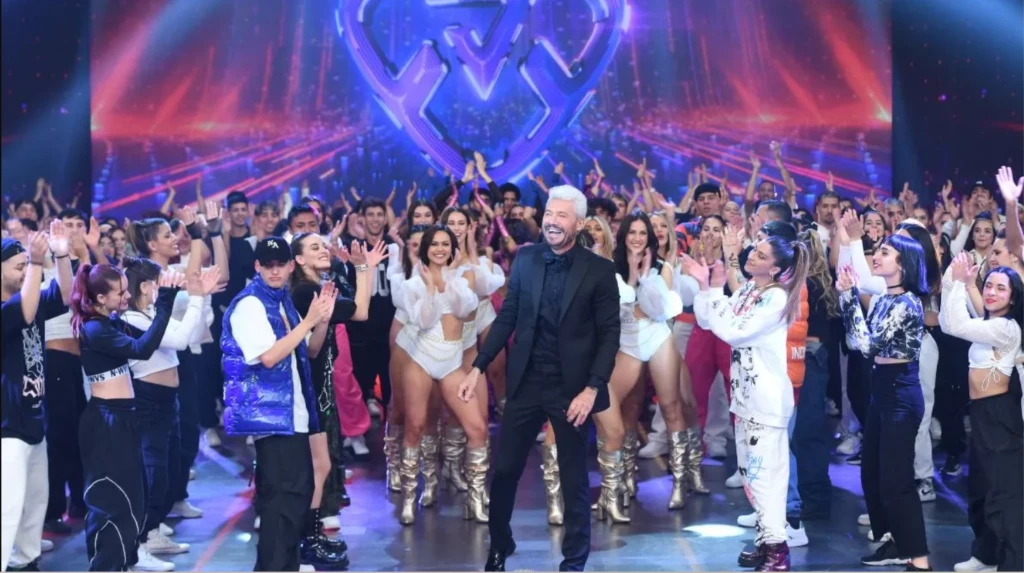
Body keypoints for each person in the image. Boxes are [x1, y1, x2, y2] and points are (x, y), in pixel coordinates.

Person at [457, 185, 621, 572]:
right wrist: (478, 367)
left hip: (573, 387)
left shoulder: (599, 270)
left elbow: (609, 335)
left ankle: (574, 561)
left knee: (574, 477)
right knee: (505, 471)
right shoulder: (527, 259)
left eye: (562, 215)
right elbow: (508, 317)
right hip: (527, 381)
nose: (552, 221)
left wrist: (591, 388)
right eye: (549, 213)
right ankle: (499, 545)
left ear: (578, 224)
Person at [684, 233, 809, 572]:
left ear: (776, 268)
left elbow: (734, 331)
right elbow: (709, 320)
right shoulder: (750, 290)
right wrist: (707, 286)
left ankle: (777, 551)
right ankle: (766, 543)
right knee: (752, 475)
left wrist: (713, 291)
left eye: (761, 255)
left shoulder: (776, 298)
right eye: (755, 250)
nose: (752, 255)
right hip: (745, 399)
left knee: (766, 477)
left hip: (766, 402)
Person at [220, 237, 336, 572]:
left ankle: (286, 567)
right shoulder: (250, 304)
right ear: (257, 266)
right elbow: (269, 357)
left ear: (289, 266)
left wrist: (321, 320)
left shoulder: (282, 300)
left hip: (292, 413)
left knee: (295, 499)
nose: (274, 271)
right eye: (268, 265)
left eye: (280, 264)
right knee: (280, 504)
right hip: (269, 417)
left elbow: (309, 350)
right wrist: (308, 321)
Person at [72, 262, 182, 571]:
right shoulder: (95, 329)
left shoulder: (108, 323)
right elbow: (143, 349)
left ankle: (126, 561)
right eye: (120, 292)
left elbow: (149, 339)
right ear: (100, 298)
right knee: (112, 500)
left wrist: (161, 304)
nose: (127, 296)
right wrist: (165, 302)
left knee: (134, 498)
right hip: (107, 424)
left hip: (123, 418)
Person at [836, 234, 931, 571]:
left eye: (885, 253)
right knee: (873, 474)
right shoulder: (884, 299)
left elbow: (866, 345)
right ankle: (895, 542)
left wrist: (849, 297)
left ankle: (919, 560)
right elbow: (854, 339)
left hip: (900, 393)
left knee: (896, 481)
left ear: (903, 263)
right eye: (877, 251)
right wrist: (847, 297)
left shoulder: (906, 303)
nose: (876, 256)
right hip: (881, 389)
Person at [940, 255, 1023, 572]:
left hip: (1000, 414)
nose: (992, 292)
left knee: (1002, 493)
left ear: (1013, 297)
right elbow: (957, 319)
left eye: (1001, 288)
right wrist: (965, 282)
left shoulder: (1006, 328)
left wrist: (954, 280)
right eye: (989, 285)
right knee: (981, 488)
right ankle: (987, 555)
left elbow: (954, 325)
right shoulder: (990, 323)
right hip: (982, 413)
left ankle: (1013, 563)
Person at [1, 225, 72, 572]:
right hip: (7, 424)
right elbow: (25, 312)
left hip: (33, 418)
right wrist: (35, 261)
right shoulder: (7, 307)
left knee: (34, 502)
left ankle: (26, 560)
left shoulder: (32, 298)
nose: (25, 270)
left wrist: (61, 254)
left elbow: (66, 295)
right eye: (18, 266)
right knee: (7, 508)